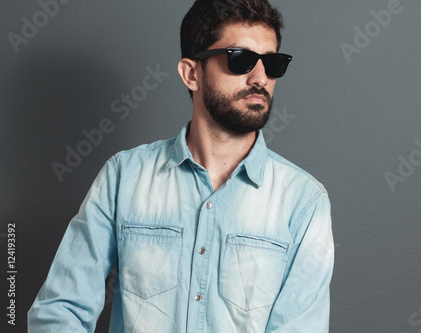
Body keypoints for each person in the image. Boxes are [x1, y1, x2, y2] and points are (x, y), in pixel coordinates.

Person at [28, 0, 335, 331]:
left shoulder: (304, 202)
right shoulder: (124, 177)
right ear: (192, 74)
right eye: (241, 60)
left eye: (273, 63)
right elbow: (60, 310)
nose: (260, 77)